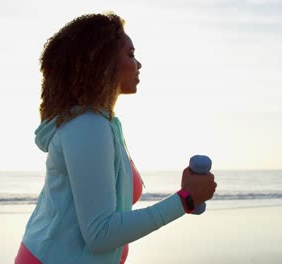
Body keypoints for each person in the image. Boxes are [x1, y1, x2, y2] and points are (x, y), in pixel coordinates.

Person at [15, 12, 217, 264]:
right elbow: (101, 233)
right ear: (100, 63)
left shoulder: (104, 123)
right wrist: (186, 199)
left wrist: (189, 195)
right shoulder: (88, 126)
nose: (138, 64)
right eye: (131, 55)